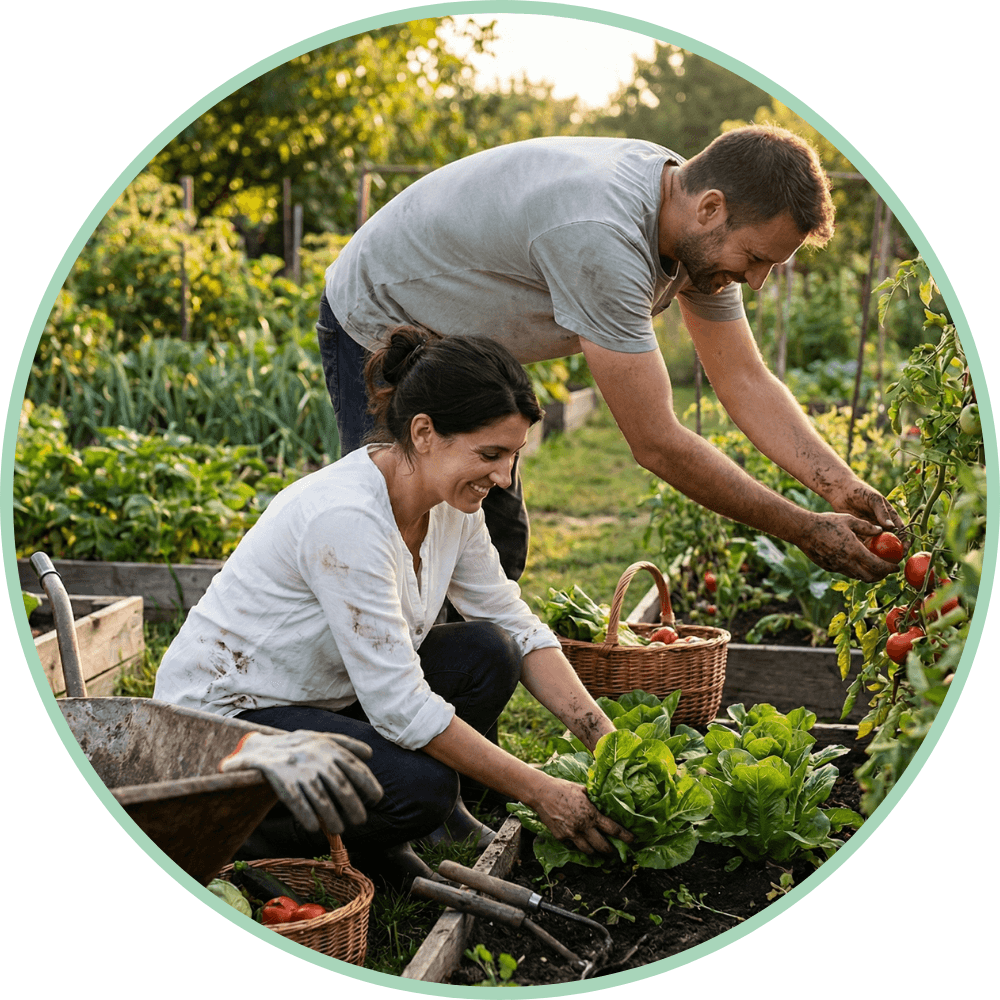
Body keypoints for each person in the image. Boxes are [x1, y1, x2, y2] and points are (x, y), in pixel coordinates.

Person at [317, 125, 904, 587]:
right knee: (395, 543)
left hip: (464, 344)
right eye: (755, 259)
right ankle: (371, 698)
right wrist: (802, 529)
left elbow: (744, 380)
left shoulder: (690, 218)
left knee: (496, 544)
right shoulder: (604, 237)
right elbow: (655, 442)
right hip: (380, 320)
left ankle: (455, 694)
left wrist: (841, 487)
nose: (756, 281)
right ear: (711, 208)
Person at [153, 328, 632, 872]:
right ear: (424, 432)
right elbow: (400, 706)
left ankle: (422, 821)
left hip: (322, 696)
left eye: (513, 456)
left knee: (491, 650)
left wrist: (606, 741)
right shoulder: (348, 519)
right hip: (231, 723)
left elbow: (513, 622)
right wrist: (540, 791)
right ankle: (244, 833)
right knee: (419, 789)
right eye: (490, 454)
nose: (503, 477)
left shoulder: (451, 506)